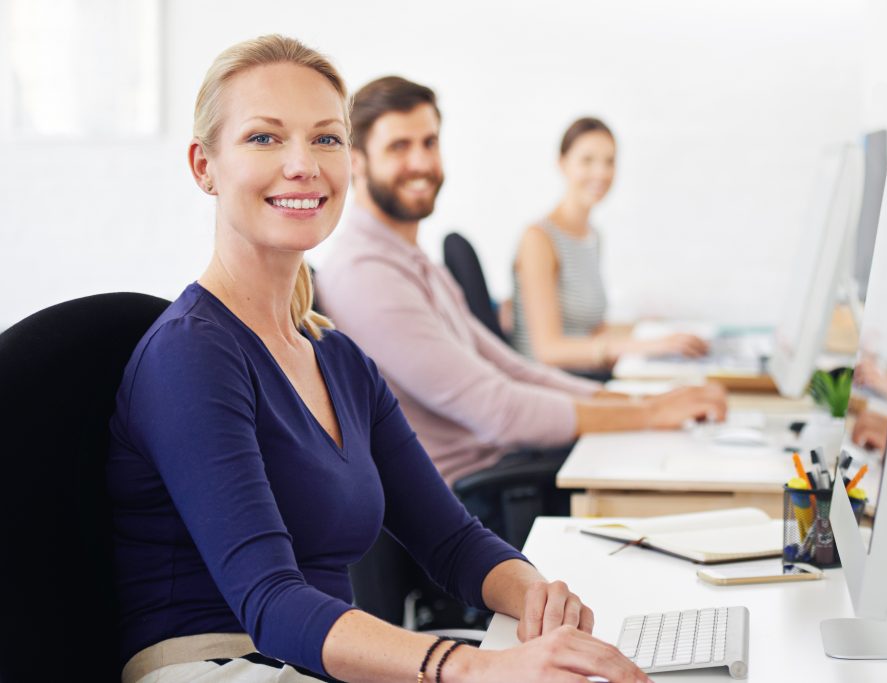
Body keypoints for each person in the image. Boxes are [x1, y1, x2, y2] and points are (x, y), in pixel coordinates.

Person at [107, 35, 654, 683]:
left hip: (313, 659)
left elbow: (451, 540)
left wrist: (537, 596)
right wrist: (471, 667)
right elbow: (272, 603)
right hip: (223, 665)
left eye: (326, 138)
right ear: (204, 166)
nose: (303, 164)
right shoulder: (191, 354)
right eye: (264, 138)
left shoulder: (337, 358)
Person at [315, 79, 727, 494]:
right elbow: (498, 410)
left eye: (430, 143)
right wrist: (649, 414)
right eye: (399, 147)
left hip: (505, 463)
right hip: (471, 496)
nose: (421, 162)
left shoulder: (413, 262)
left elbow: (512, 368)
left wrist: (639, 404)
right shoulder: (366, 274)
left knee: (683, 458)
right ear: (356, 161)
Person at [511, 117, 708, 374]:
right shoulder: (538, 239)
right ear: (562, 164)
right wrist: (647, 346)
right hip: (547, 384)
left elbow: (594, 331)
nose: (601, 173)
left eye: (609, 162)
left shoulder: (592, 236)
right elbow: (548, 350)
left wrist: (654, 335)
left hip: (587, 375)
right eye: (587, 160)